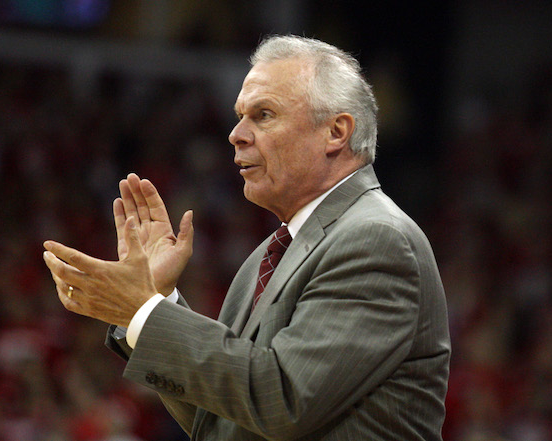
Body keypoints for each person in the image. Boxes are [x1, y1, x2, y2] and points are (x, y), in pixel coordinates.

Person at [43, 35, 450, 441]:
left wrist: (144, 312)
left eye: (264, 115)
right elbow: (222, 419)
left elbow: (280, 401)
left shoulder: (376, 239)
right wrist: (158, 297)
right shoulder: (270, 255)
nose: (236, 134)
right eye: (240, 116)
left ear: (336, 132)